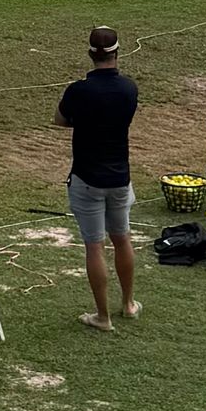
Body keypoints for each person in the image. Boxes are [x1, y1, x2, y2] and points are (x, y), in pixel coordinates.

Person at [56, 23, 141, 331]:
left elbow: (60, 120)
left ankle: (102, 316)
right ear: (117, 53)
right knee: (122, 239)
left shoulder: (78, 90)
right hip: (120, 178)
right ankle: (128, 304)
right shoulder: (129, 88)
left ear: (90, 54)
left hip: (87, 179)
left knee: (95, 246)